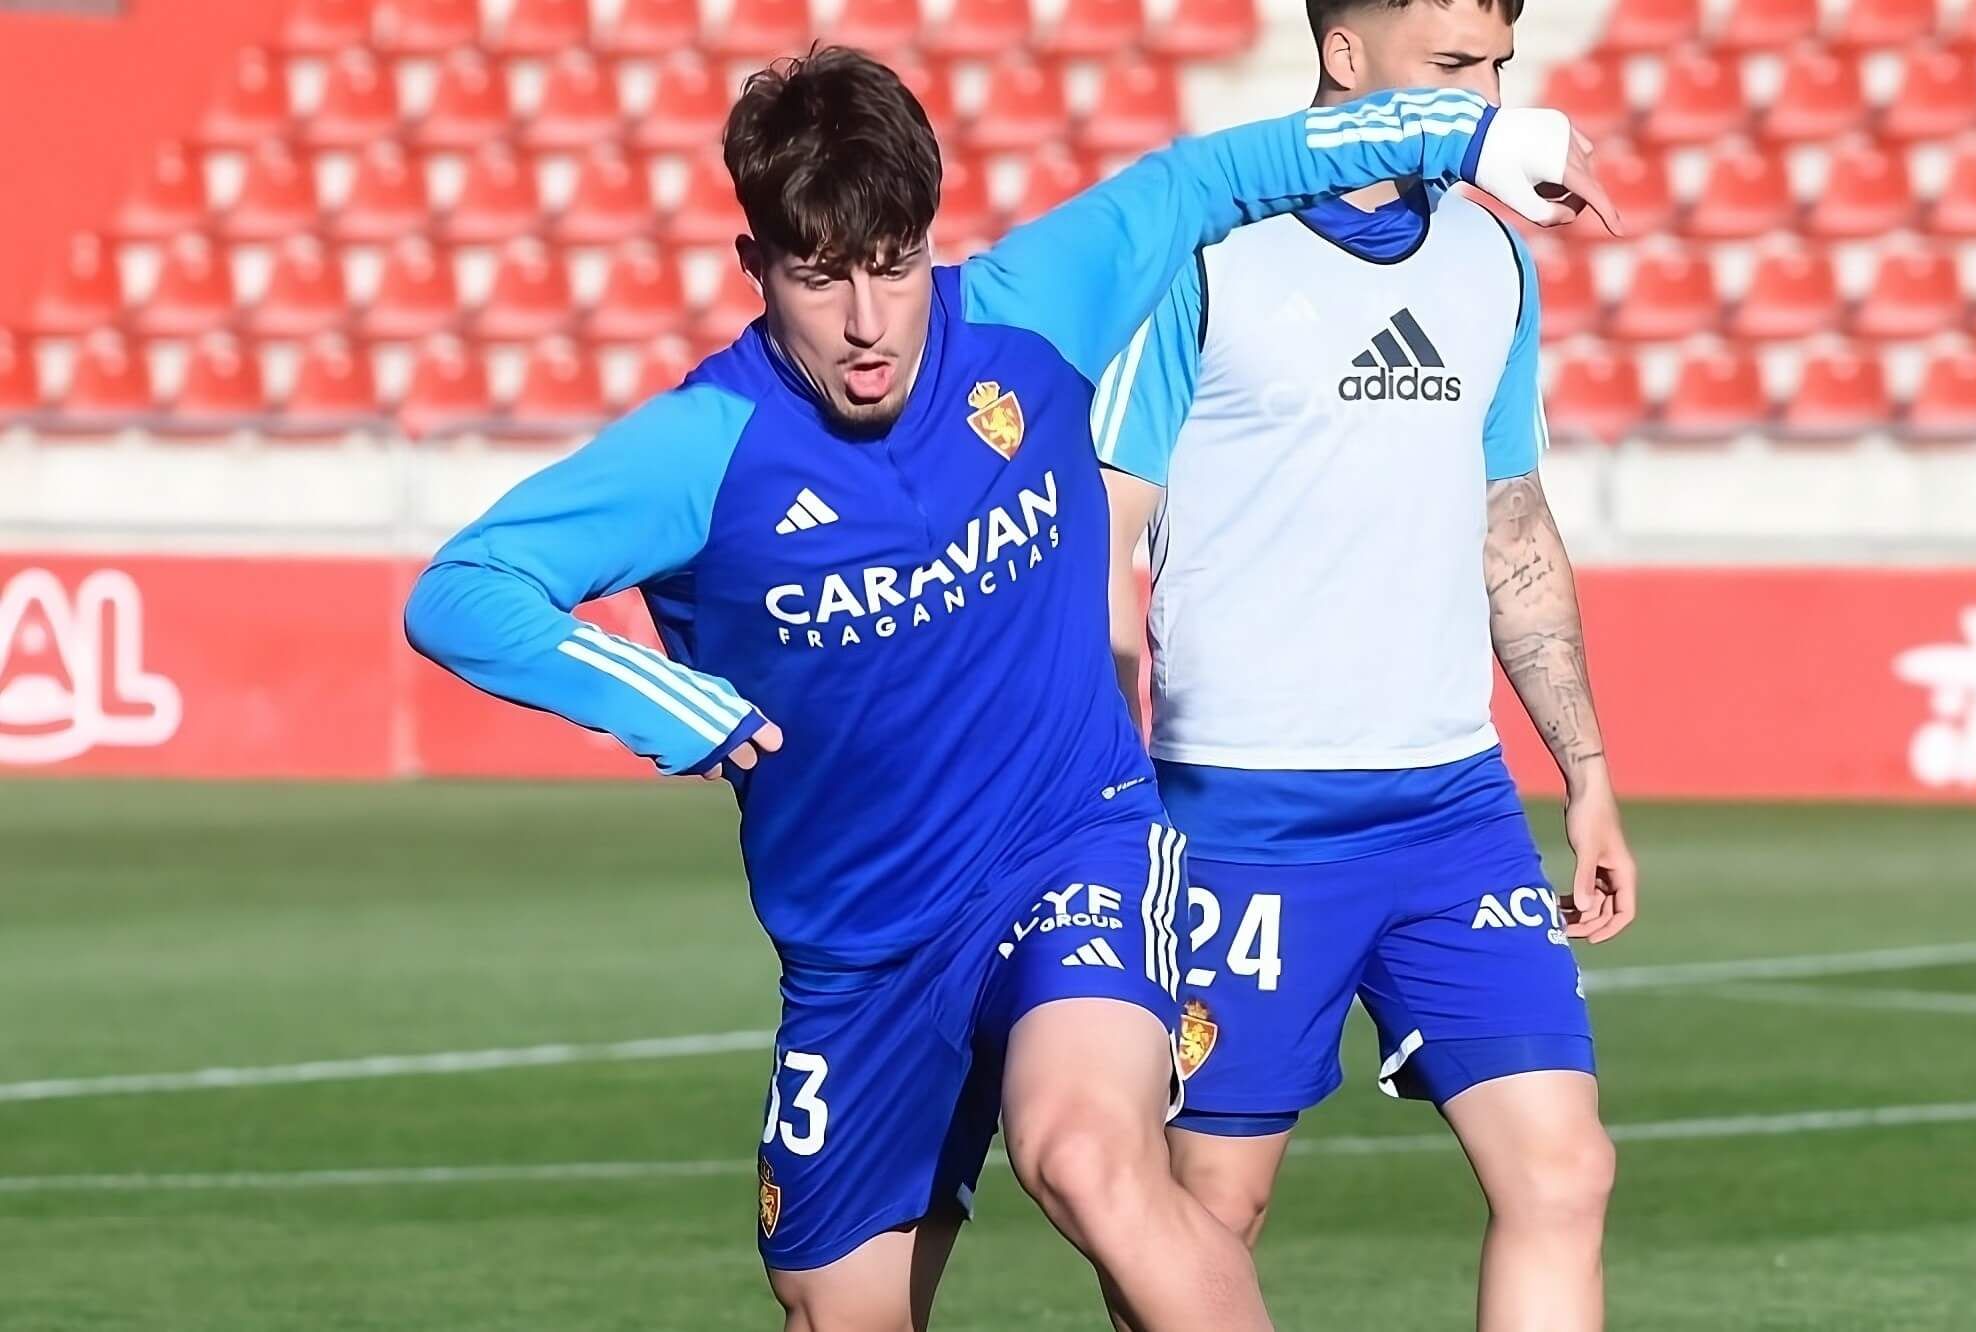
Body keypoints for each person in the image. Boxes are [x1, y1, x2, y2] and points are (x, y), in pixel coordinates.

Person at [406, 44, 1613, 1332]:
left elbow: (1221, 176)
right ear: (754, 266)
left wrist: (1464, 138)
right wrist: (660, 701)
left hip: (1070, 849)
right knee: (840, 1311)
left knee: (1085, 1155)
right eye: (821, 281)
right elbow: (462, 592)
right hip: (861, 949)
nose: (869, 323)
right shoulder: (706, 447)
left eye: (895, 267)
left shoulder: (1034, 309)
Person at [1095, 2, 1638, 1327]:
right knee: (1208, 1212)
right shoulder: (1206, 253)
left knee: (1565, 1171)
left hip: (1450, 807)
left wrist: (1585, 772)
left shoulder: (1490, 257)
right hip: (1240, 814)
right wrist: (1106, 800)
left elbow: (1507, 518)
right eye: (1453, 68)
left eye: (1497, 66)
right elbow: (1107, 540)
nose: (1486, 97)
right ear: (1344, 56)